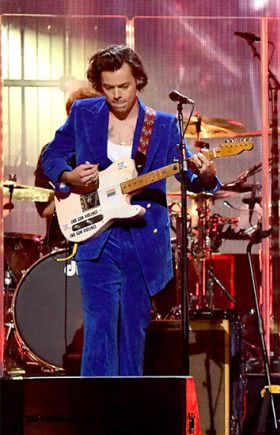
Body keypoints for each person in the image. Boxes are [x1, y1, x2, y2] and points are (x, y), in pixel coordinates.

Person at [41, 45, 219, 376]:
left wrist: (205, 175)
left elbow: (187, 175)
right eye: (108, 88)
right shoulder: (84, 113)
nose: (117, 95)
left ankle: (128, 415)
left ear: (137, 80)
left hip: (142, 241)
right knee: (99, 328)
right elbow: (51, 155)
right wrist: (68, 176)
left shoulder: (163, 125)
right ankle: (94, 418)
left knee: (133, 332)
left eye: (124, 86)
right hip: (97, 238)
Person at [34, 86, 102, 251]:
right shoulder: (50, 154)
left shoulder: (108, 150)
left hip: (104, 241)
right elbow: (45, 210)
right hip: (63, 245)